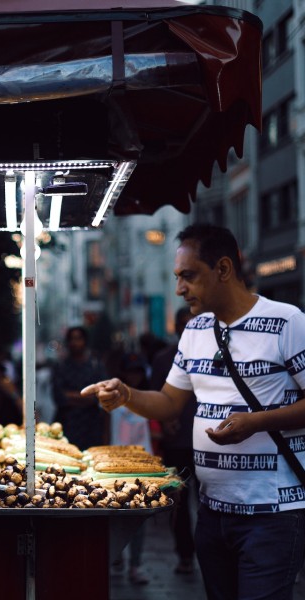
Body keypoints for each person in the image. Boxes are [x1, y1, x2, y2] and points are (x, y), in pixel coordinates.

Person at [82, 224, 305, 600]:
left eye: (189, 276)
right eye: (177, 277)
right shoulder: (195, 330)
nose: (179, 289)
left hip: (274, 515)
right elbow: (169, 401)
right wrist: (125, 394)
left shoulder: (288, 322)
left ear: (222, 269)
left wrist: (256, 422)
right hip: (212, 512)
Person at [150, 306, 198, 576]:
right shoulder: (164, 358)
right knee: (178, 500)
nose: (188, 326)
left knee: (209, 502)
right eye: (183, 323)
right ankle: (185, 553)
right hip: (177, 440)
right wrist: (165, 420)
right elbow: (157, 396)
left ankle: (206, 550)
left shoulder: (214, 354)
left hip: (209, 441)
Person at [109, 351, 152, 585]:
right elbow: (106, 428)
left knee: (139, 516)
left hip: (143, 463)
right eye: (130, 371)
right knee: (116, 513)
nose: (134, 376)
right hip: (115, 463)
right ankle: (117, 558)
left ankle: (135, 563)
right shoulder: (112, 398)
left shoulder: (149, 397)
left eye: (138, 372)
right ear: (123, 373)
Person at [51, 326, 108, 450]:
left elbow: (100, 395)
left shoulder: (95, 365)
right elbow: (59, 396)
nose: (74, 343)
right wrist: (87, 396)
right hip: (67, 425)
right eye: (71, 339)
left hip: (91, 426)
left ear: (85, 341)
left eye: (78, 339)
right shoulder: (61, 366)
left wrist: (71, 395)